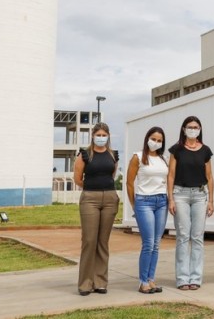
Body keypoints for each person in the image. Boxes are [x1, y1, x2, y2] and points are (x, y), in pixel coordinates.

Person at [167, 116, 214, 290]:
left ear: (200, 129)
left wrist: (211, 201)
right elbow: (171, 175)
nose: (193, 129)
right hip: (180, 195)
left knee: (197, 237)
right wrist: (170, 198)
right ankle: (182, 278)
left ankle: (195, 278)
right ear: (184, 129)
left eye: (196, 127)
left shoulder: (206, 151)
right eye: (190, 127)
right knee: (183, 236)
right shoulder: (176, 150)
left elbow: (209, 176)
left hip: (200, 196)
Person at [74, 122, 120, 296]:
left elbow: (112, 175)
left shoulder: (113, 155)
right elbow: (77, 178)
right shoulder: (84, 154)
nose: (101, 138)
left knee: (103, 242)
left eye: (104, 135)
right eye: (98, 135)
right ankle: (85, 283)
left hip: (109, 198)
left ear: (108, 136)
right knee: (89, 241)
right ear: (93, 136)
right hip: (90, 199)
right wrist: (92, 188)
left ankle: (100, 281)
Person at [126, 126, 169, 294]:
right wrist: (134, 204)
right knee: (148, 243)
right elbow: (129, 183)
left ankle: (151, 279)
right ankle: (142, 281)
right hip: (144, 202)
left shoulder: (164, 159)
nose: (156, 142)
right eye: (153, 139)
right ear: (147, 139)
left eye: (159, 140)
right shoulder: (137, 157)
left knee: (156, 244)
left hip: (162, 201)